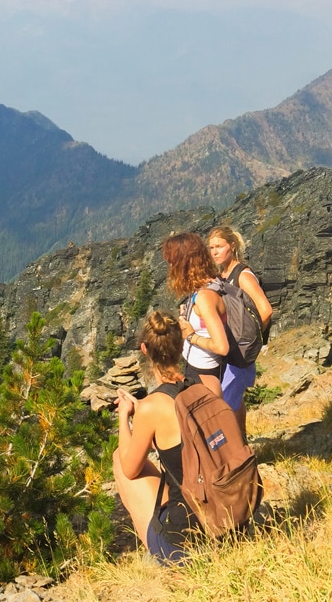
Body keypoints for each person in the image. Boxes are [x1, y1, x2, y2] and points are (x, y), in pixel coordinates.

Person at [112, 309, 197, 565]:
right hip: (225, 518)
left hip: (186, 543)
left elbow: (130, 468)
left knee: (120, 459)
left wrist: (125, 417)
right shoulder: (203, 387)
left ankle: (159, 558)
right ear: (181, 345)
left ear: (144, 349)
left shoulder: (152, 407)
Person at [208, 226, 274, 434]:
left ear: (232, 246)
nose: (215, 252)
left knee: (226, 401)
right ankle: (241, 442)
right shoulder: (222, 275)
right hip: (228, 350)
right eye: (211, 248)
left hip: (239, 352)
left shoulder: (243, 275)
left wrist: (251, 340)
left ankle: (235, 449)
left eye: (219, 246)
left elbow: (265, 310)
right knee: (234, 400)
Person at [164, 232, 228, 397]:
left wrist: (190, 335)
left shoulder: (205, 296)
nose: (170, 267)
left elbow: (221, 347)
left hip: (204, 371)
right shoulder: (205, 286)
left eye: (173, 262)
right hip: (196, 366)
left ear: (185, 263)